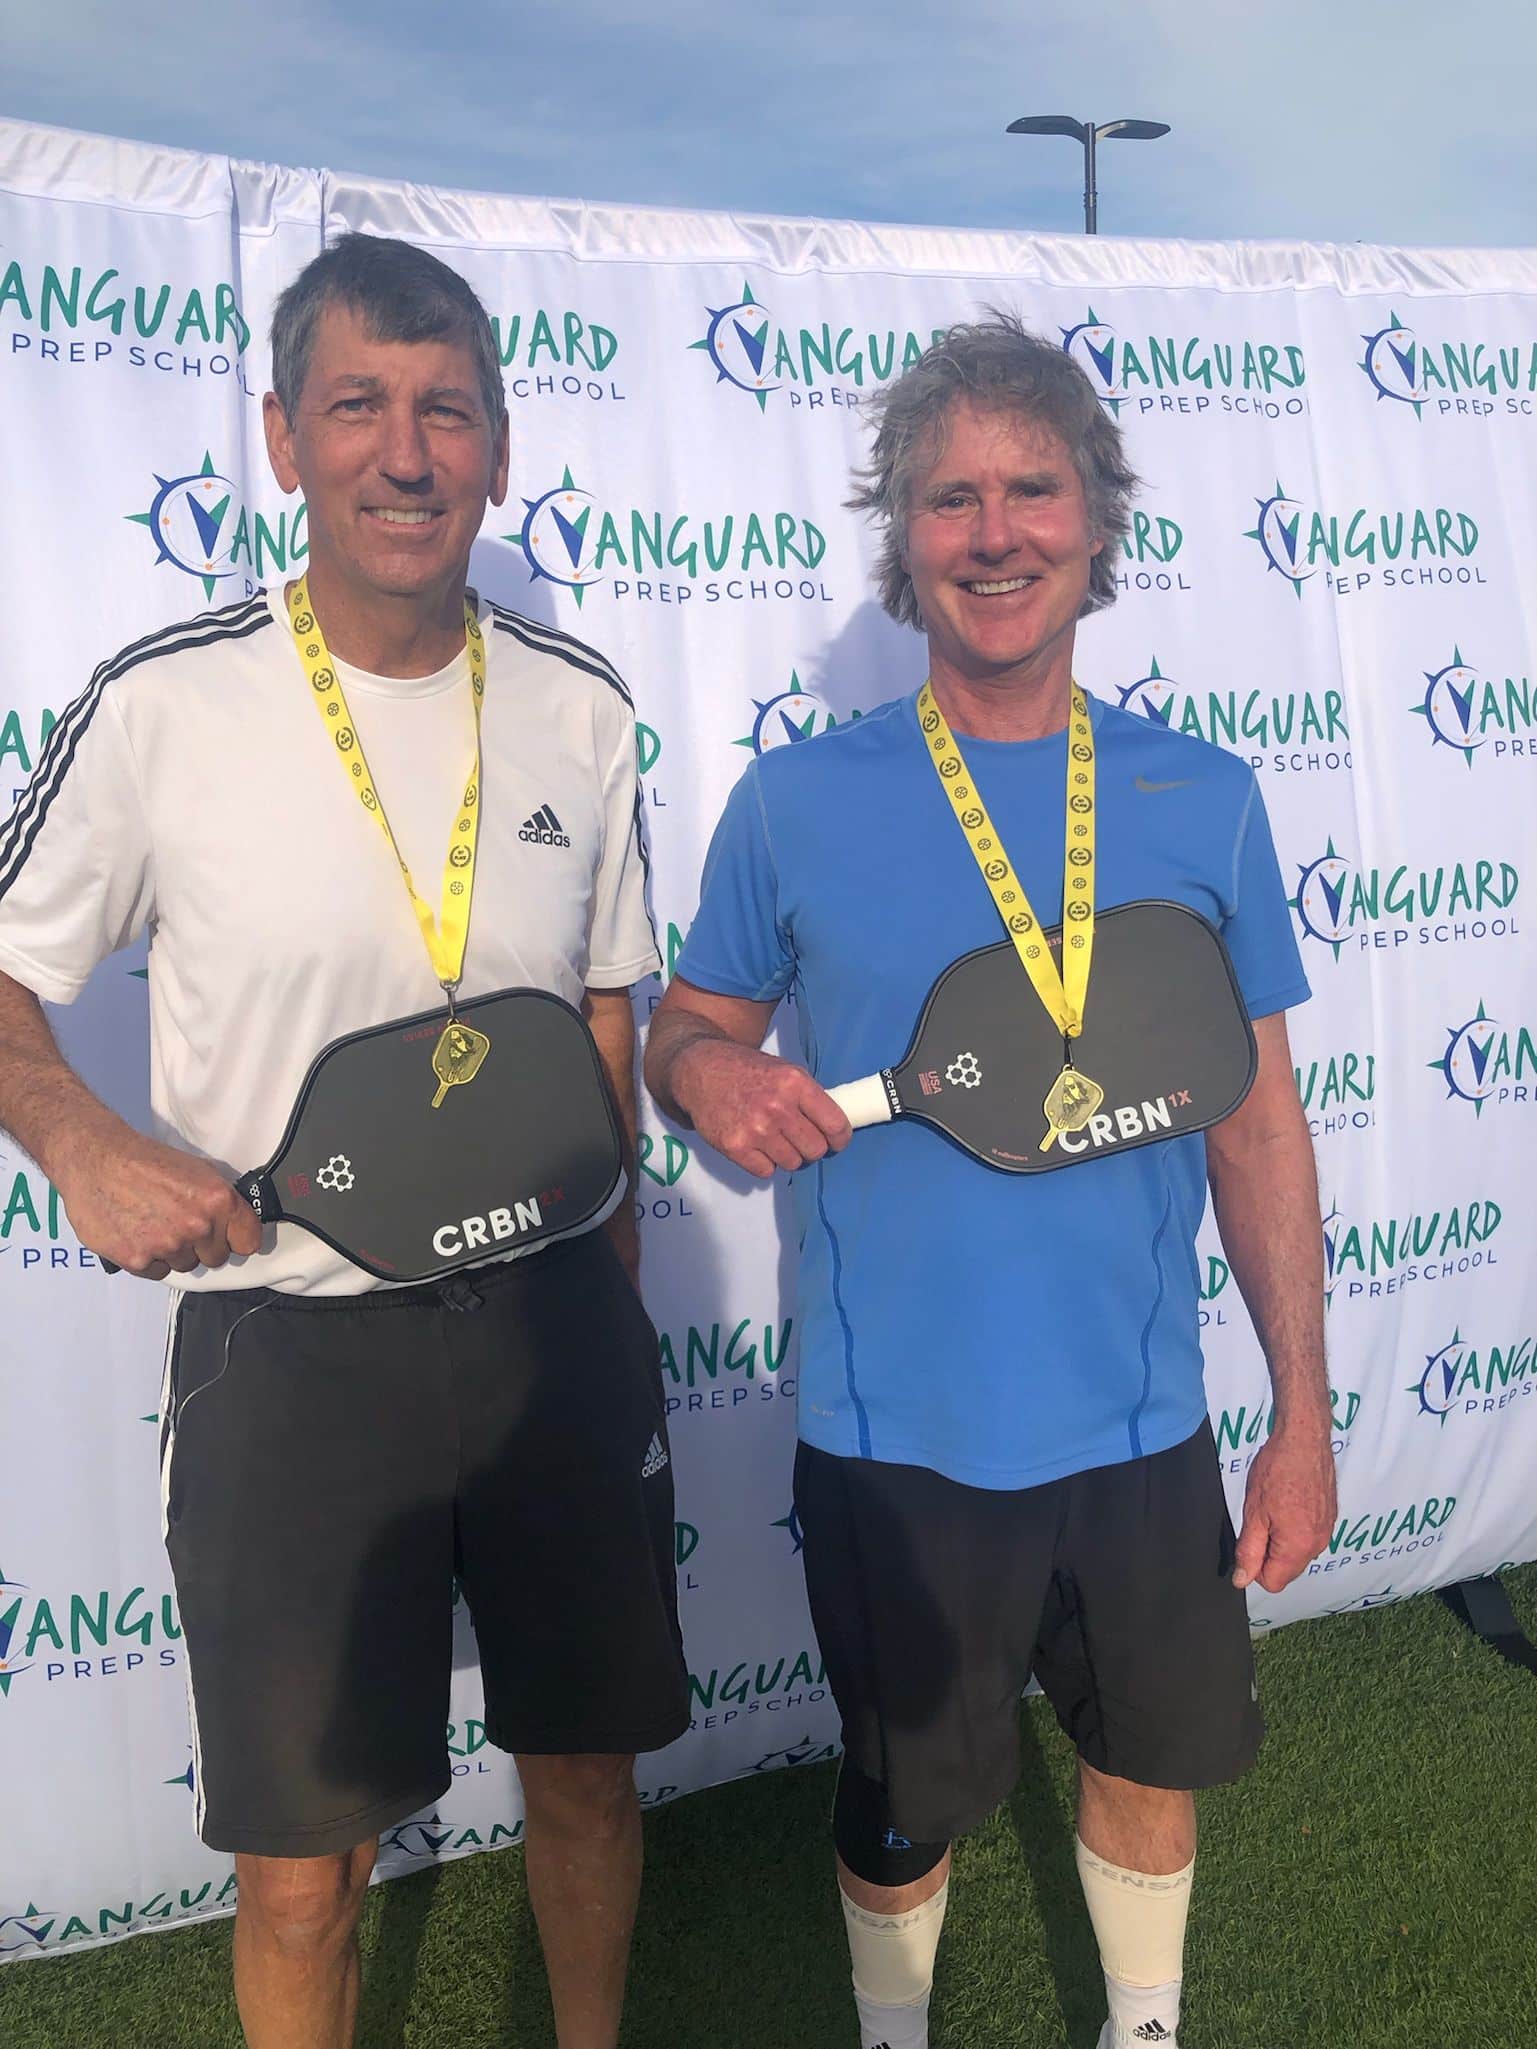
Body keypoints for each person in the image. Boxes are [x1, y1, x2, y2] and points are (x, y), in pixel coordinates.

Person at [0, 234, 686, 2049]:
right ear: (283, 439)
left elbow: (603, 1013)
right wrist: (80, 1141)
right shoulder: (166, 703)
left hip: (550, 1329)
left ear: (500, 449)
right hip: (293, 1352)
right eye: (358, 404)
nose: (405, 451)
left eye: (446, 409)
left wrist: (611, 1288)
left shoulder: (581, 706)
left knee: (589, 1778)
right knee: (306, 1871)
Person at [645, 313, 1335, 2049]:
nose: (993, 532)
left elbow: (1255, 1122)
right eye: (950, 498)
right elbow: (686, 1030)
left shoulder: (1203, 796)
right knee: (899, 1809)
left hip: (1140, 1416)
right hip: (897, 1435)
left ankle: (1142, 2027)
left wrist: (1302, 1412)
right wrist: (711, 1071)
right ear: (904, 538)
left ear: (1096, 520)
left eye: (1031, 489)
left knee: (1148, 1756)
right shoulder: (794, 804)